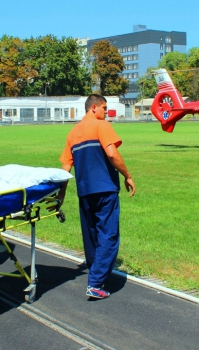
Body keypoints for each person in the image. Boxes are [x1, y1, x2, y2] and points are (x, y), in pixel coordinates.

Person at [58, 94, 136, 299]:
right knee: (108, 235)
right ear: (93, 108)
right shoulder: (102, 126)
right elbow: (112, 154)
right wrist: (127, 175)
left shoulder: (73, 133)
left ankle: (96, 275)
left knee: (91, 236)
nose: (105, 112)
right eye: (104, 108)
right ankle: (95, 283)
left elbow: (65, 169)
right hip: (105, 189)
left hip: (85, 192)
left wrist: (60, 196)